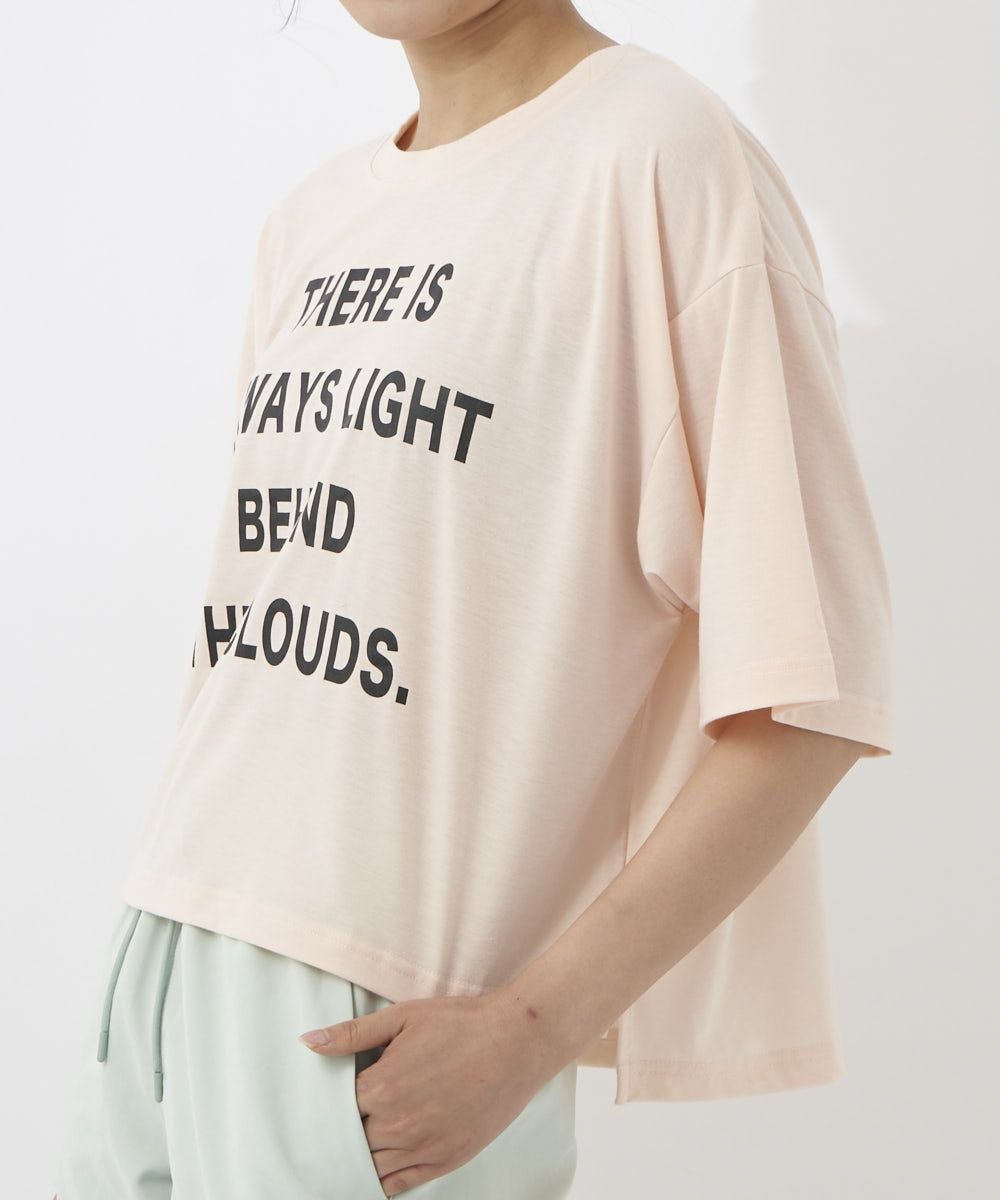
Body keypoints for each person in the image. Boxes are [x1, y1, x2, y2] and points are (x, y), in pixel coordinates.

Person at [51, 1, 895, 1196]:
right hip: (162, 956)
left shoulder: (657, 154)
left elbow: (813, 690)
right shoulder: (312, 218)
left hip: (373, 1015)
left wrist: (530, 1030)